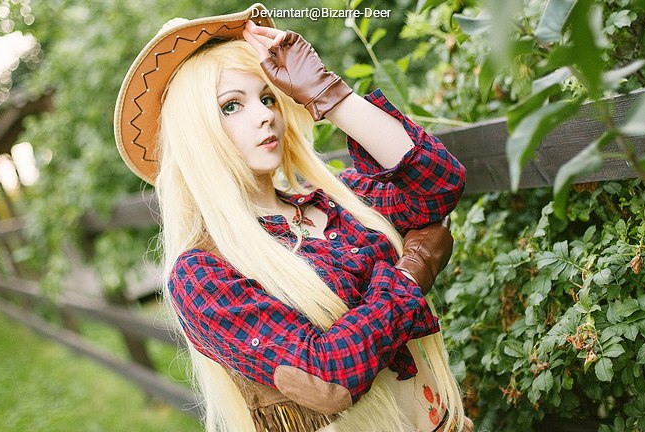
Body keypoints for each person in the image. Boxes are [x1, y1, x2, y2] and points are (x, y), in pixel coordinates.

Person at [113, 4, 472, 432]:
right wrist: (413, 271)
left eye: (267, 97)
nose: (265, 114)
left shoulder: (341, 201)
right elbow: (327, 379)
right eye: (231, 106)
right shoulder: (202, 272)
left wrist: (327, 93)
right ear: (197, 133)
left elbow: (439, 183)